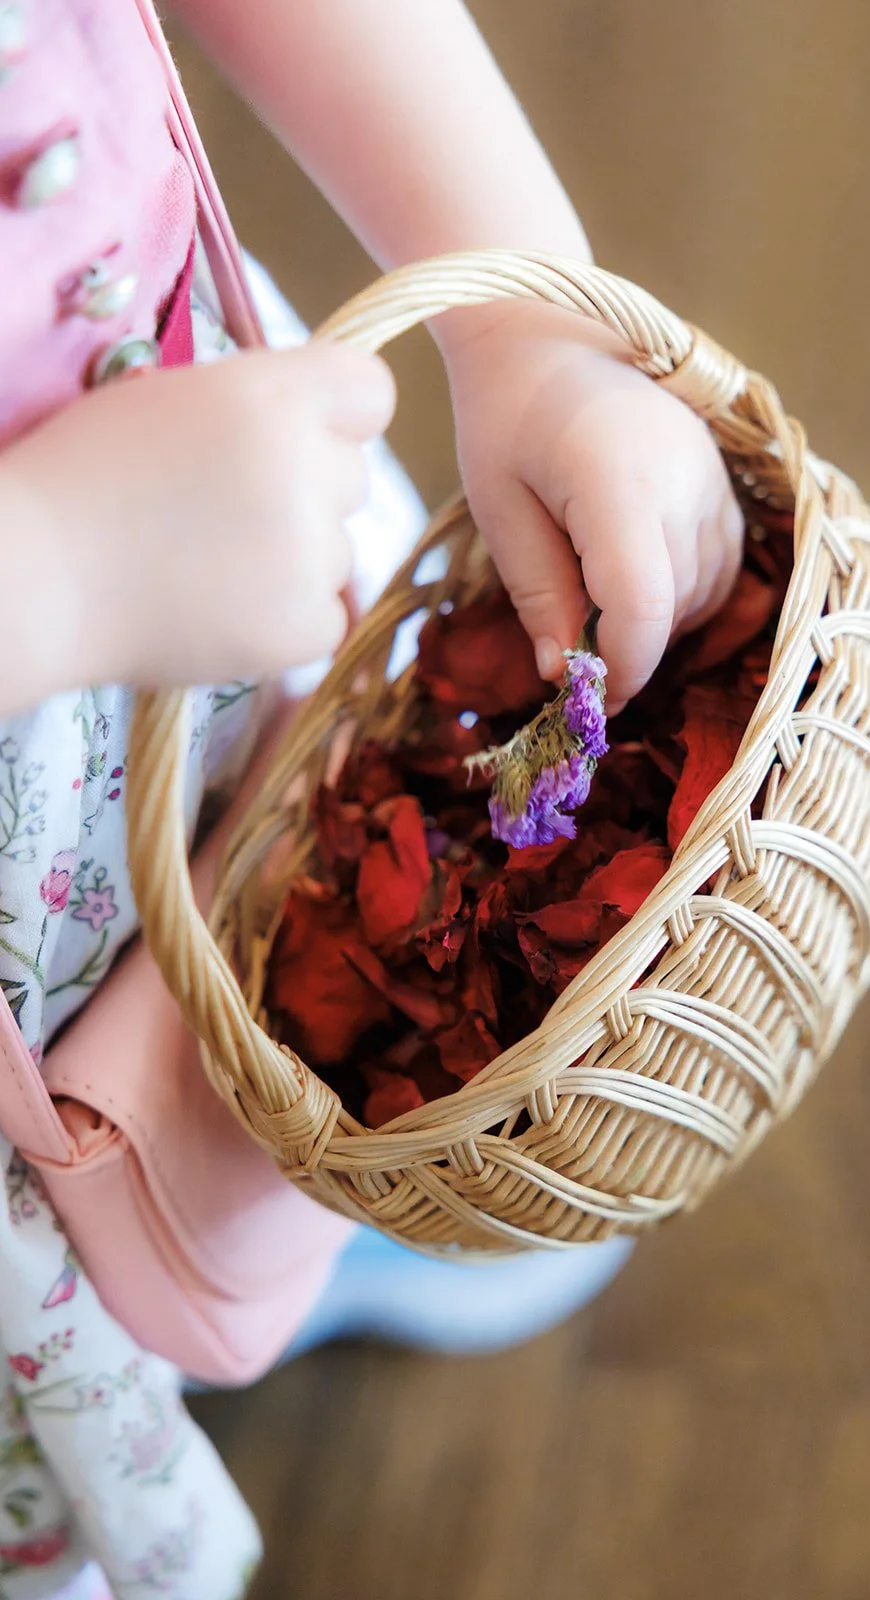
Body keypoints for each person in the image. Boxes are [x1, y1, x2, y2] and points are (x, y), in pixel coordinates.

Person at [0, 1, 743, 1593]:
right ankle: (159, 1286)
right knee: (94, 1156)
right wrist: (48, 576)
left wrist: (526, 321)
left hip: (225, 464)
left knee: (282, 861)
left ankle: (301, 1204)